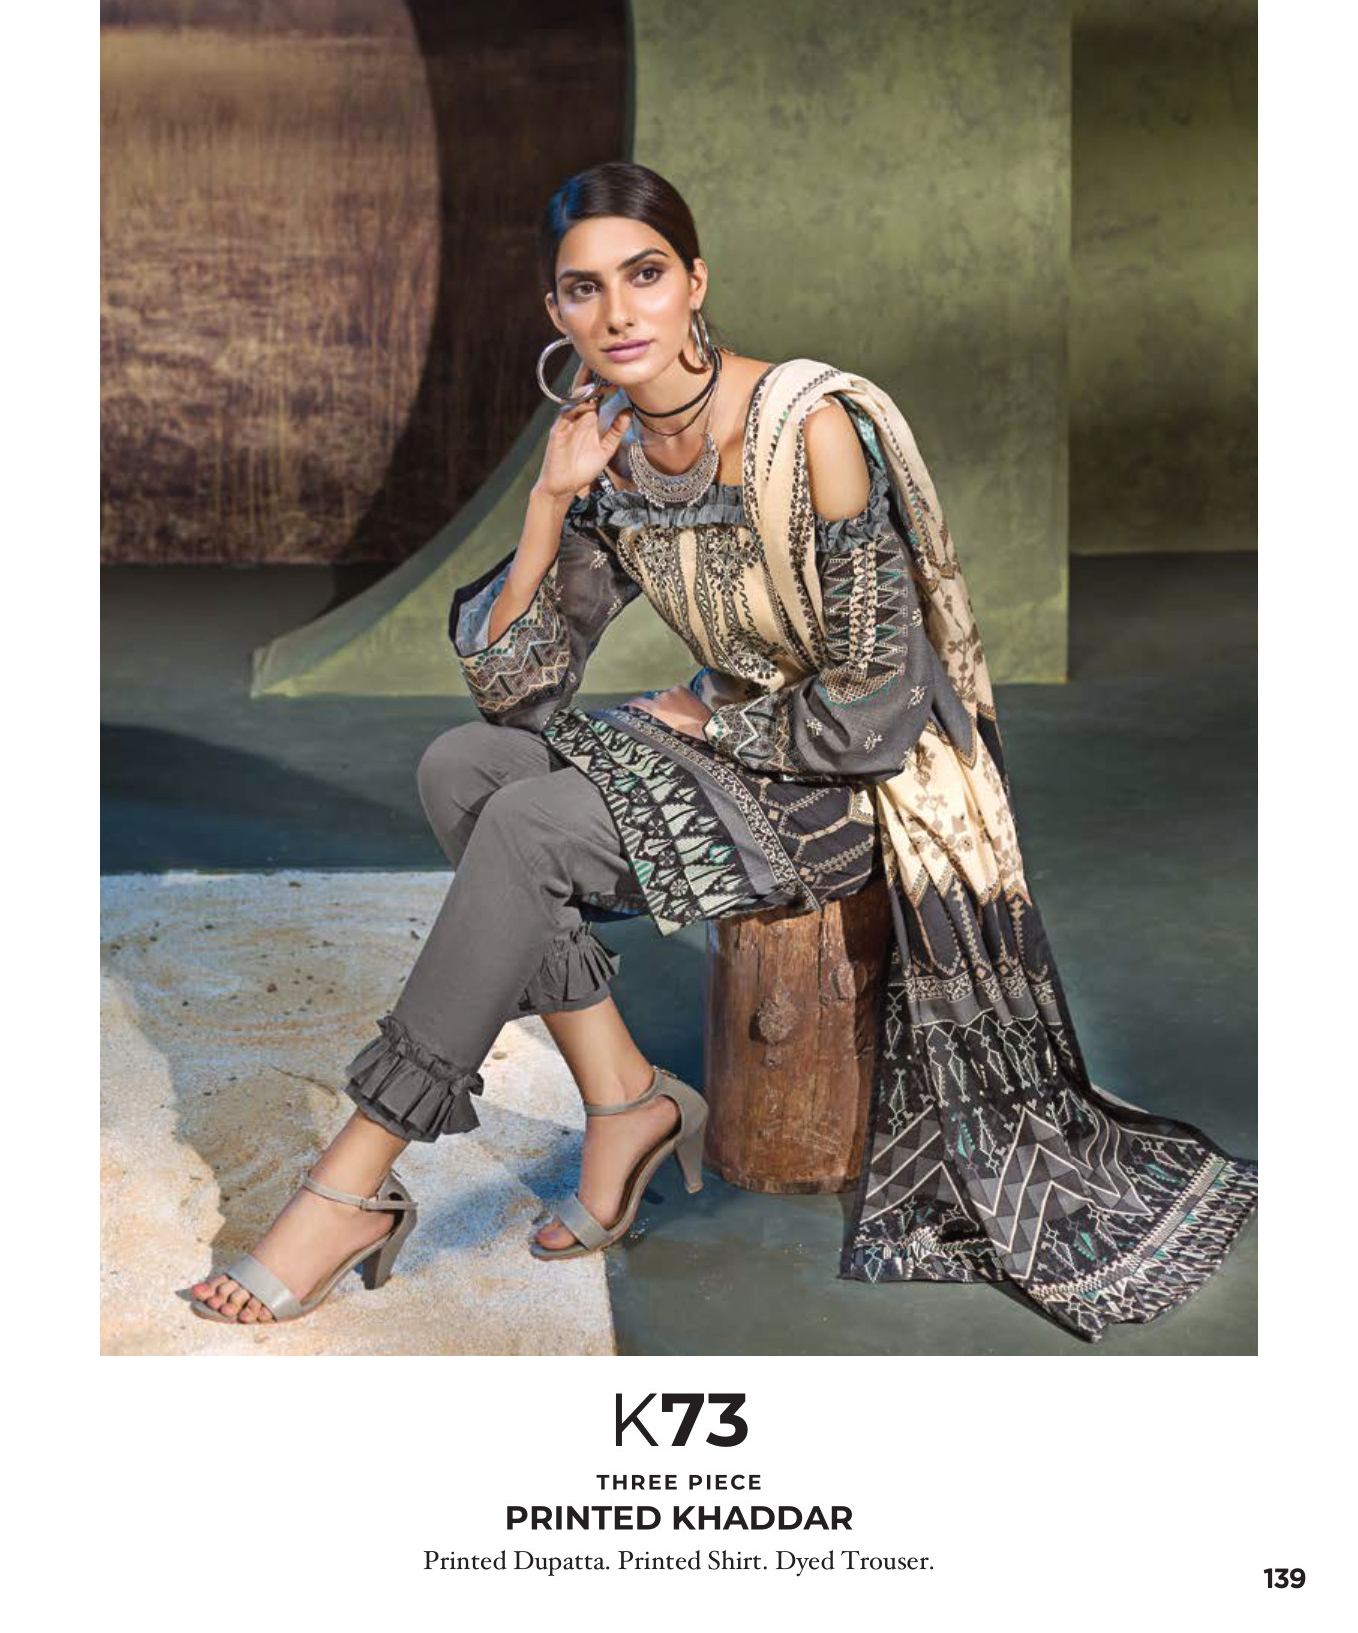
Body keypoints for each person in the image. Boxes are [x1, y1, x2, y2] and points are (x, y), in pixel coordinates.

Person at [188, 161, 1257, 1342]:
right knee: (462, 768)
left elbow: (876, 710)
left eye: (644, 274)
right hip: (738, 744)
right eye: (584, 289)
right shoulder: (611, 450)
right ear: (555, 312)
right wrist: (546, 504)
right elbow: (516, 690)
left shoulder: (811, 429)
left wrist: (715, 722)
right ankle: (624, 1102)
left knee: (531, 824)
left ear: (694, 281)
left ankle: (347, 1182)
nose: (618, 312)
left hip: (860, 783)